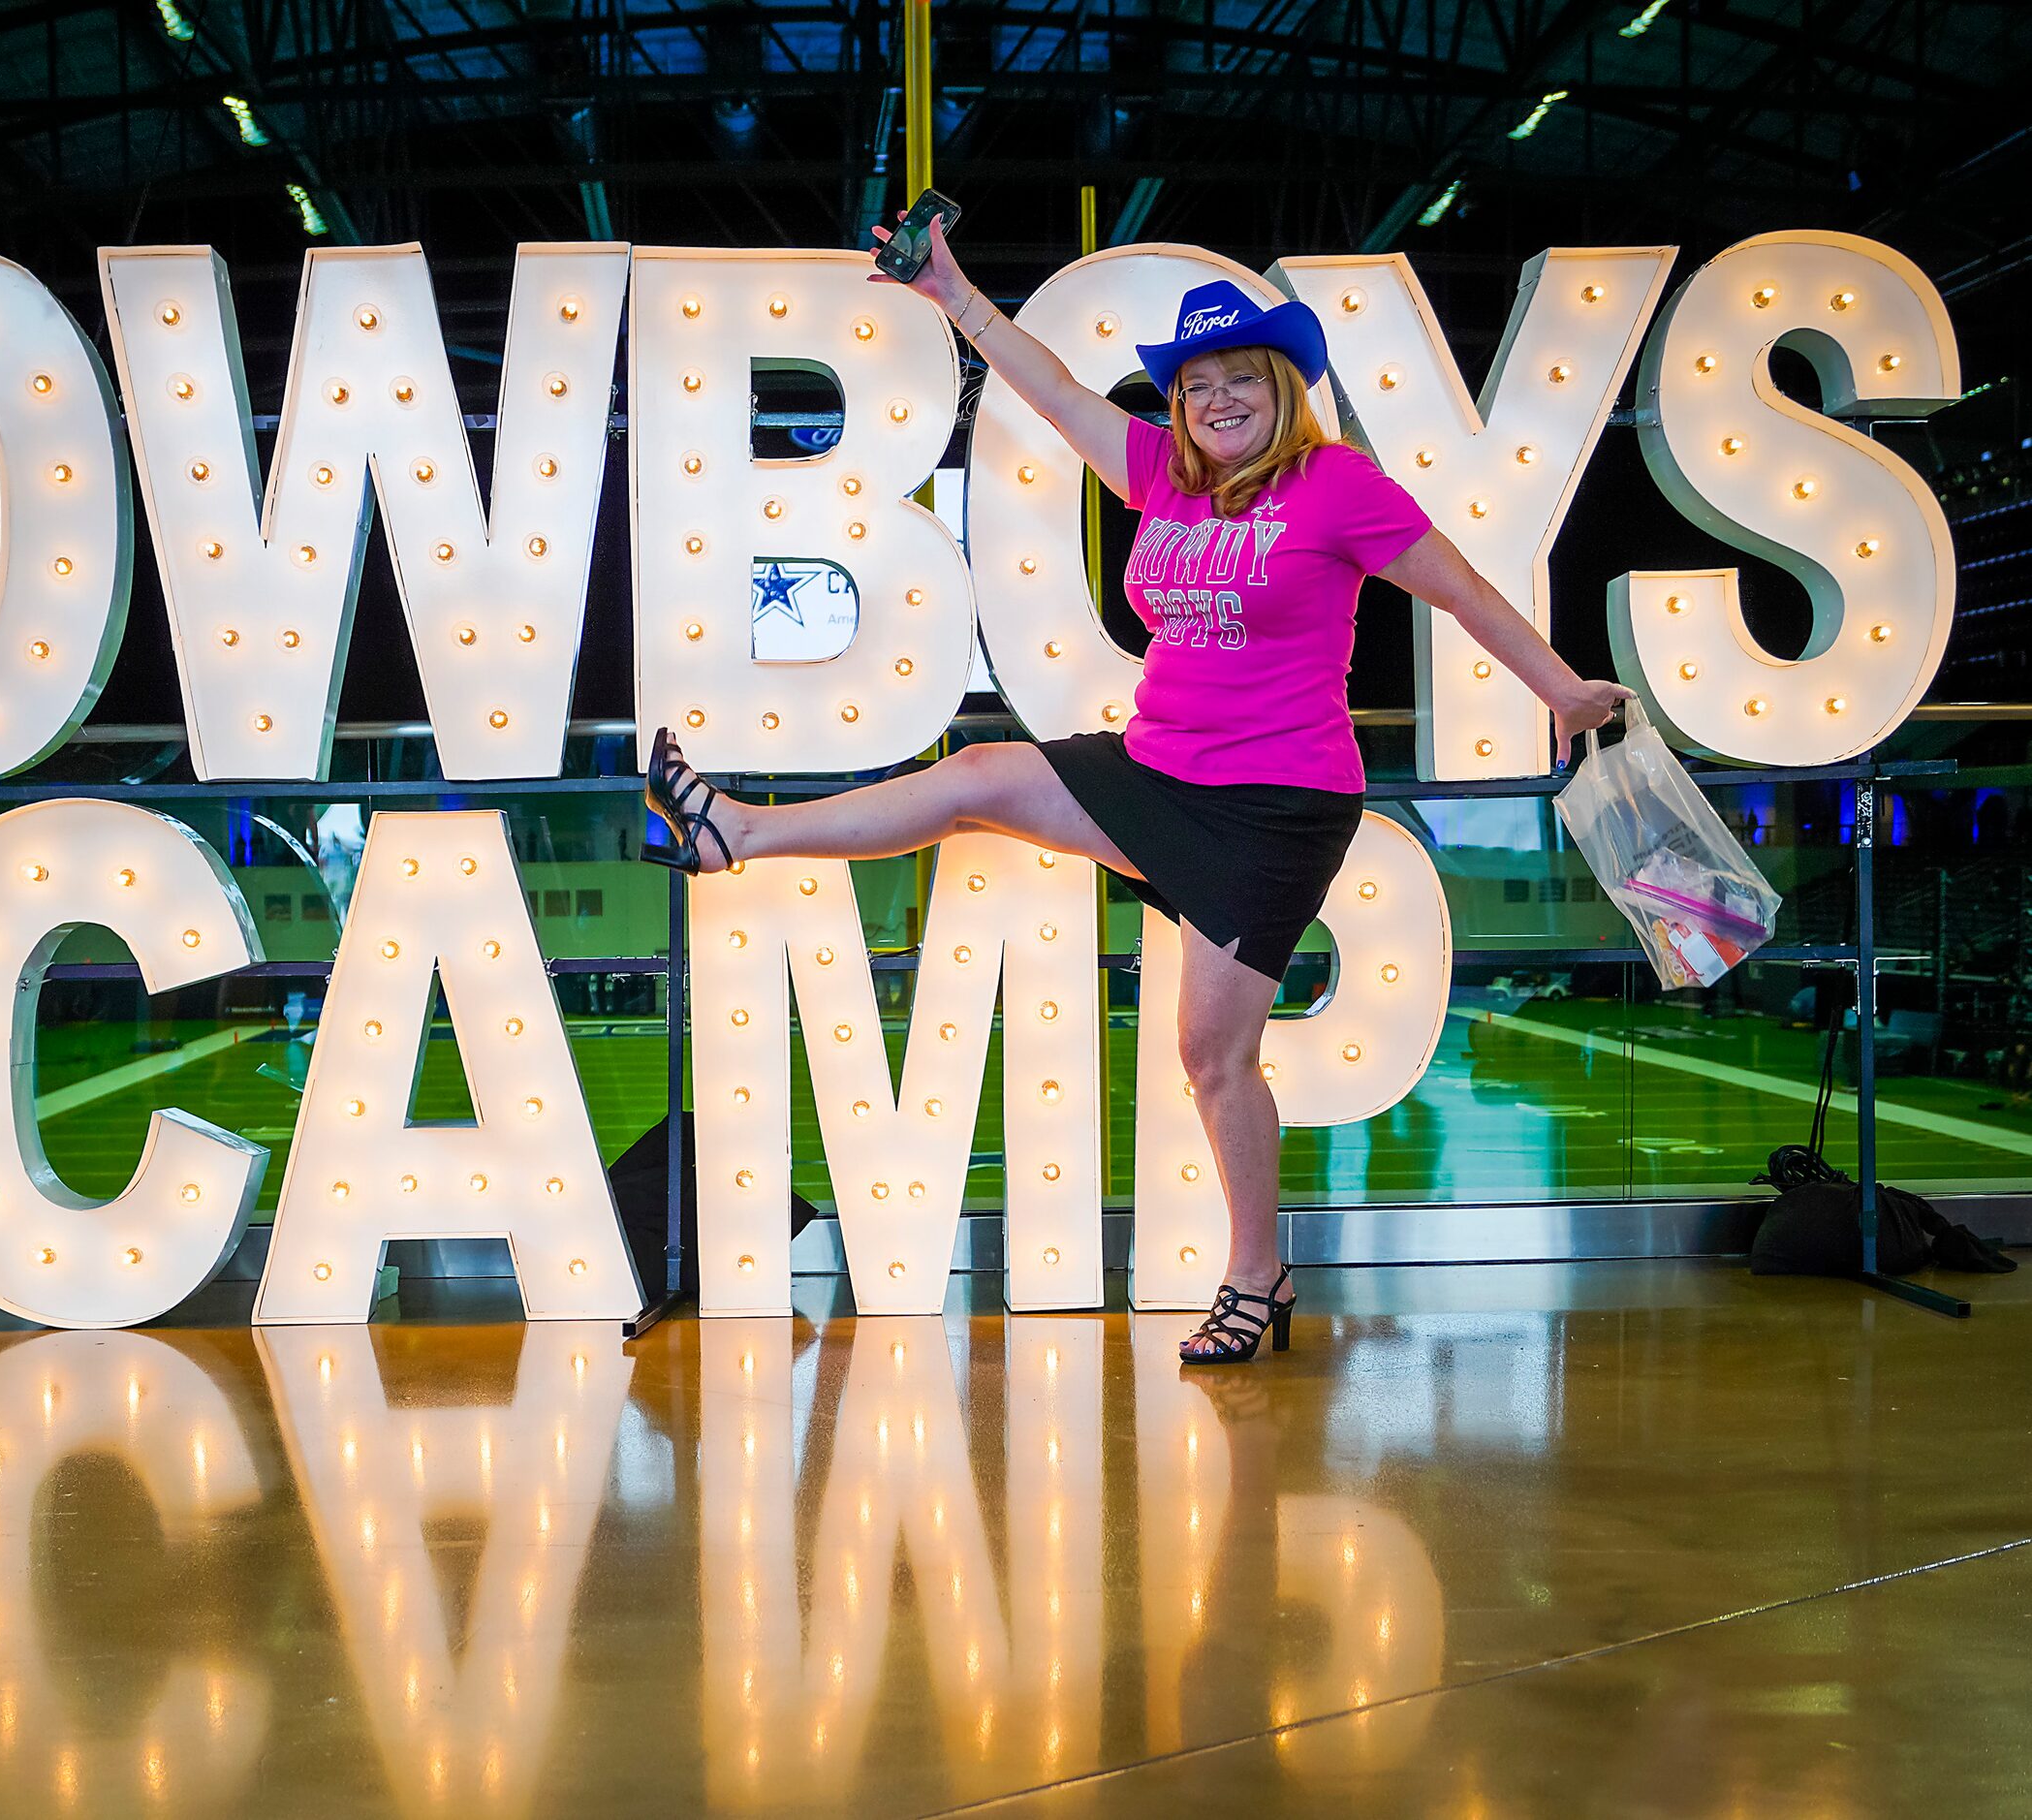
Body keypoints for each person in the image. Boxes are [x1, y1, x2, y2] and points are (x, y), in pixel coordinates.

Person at [643, 210, 1634, 1366]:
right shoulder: (1165, 475)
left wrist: (1561, 691)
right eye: (1195, 384)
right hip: (1156, 769)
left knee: (1211, 1059)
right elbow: (1057, 392)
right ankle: (737, 831)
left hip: (1274, 807)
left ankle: (1256, 1276)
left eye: (1236, 380)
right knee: (976, 776)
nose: (1216, 401)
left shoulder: (1335, 487)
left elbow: (1464, 591)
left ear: (1279, 384)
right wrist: (955, 298)